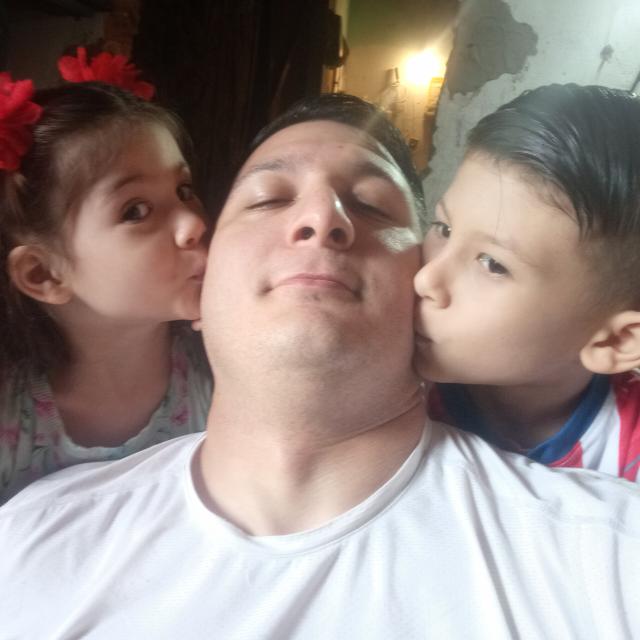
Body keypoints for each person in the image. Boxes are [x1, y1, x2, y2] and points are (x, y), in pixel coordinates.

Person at [0, 93, 638, 639]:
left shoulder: (607, 557)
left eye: (373, 205)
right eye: (267, 199)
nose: (320, 218)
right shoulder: (30, 540)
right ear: (202, 287)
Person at [0, 55, 211, 502]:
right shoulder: (10, 416)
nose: (194, 222)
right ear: (43, 274)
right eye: (136, 210)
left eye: (184, 191)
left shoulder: (220, 376)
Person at [414, 83, 640, 482]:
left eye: (493, 264)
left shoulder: (628, 446)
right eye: (443, 228)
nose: (425, 278)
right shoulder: (388, 392)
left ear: (615, 342)